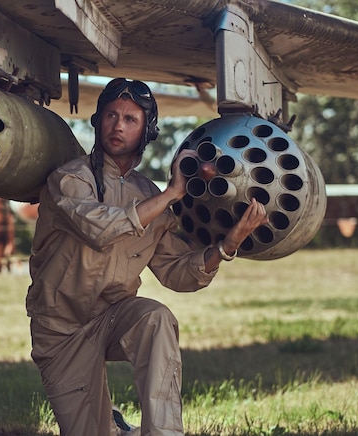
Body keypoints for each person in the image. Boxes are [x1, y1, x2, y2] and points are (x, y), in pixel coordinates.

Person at [26, 78, 268, 436]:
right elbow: (100, 230)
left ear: (146, 130)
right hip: (61, 330)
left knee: (156, 318)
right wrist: (171, 193)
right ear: (98, 121)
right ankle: (118, 428)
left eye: (130, 119)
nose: (118, 126)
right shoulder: (69, 180)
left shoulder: (148, 194)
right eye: (110, 116)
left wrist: (226, 246)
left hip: (113, 317)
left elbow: (176, 272)